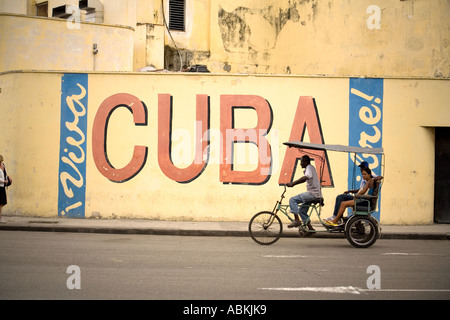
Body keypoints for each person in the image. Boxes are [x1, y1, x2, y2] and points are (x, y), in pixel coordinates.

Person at [286, 155, 322, 232]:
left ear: (305, 162)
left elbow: (305, 177)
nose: (300, 164)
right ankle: (310, 229)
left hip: (312, 194)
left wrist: (293, 183)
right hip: (315, 194)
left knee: (293, 200)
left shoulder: (309, 167)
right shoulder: (310, 168)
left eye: (301, 162)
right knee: (302, 210)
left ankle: (297, 220)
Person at [0, 154, 12, 224]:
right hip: (0, 186)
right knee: (0, 203)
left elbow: (4, 174)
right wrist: (4, 181)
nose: (0, 163)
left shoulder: (3, 165)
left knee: (3, 202)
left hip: (2, 186)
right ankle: (0, 218)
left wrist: (8, 178)